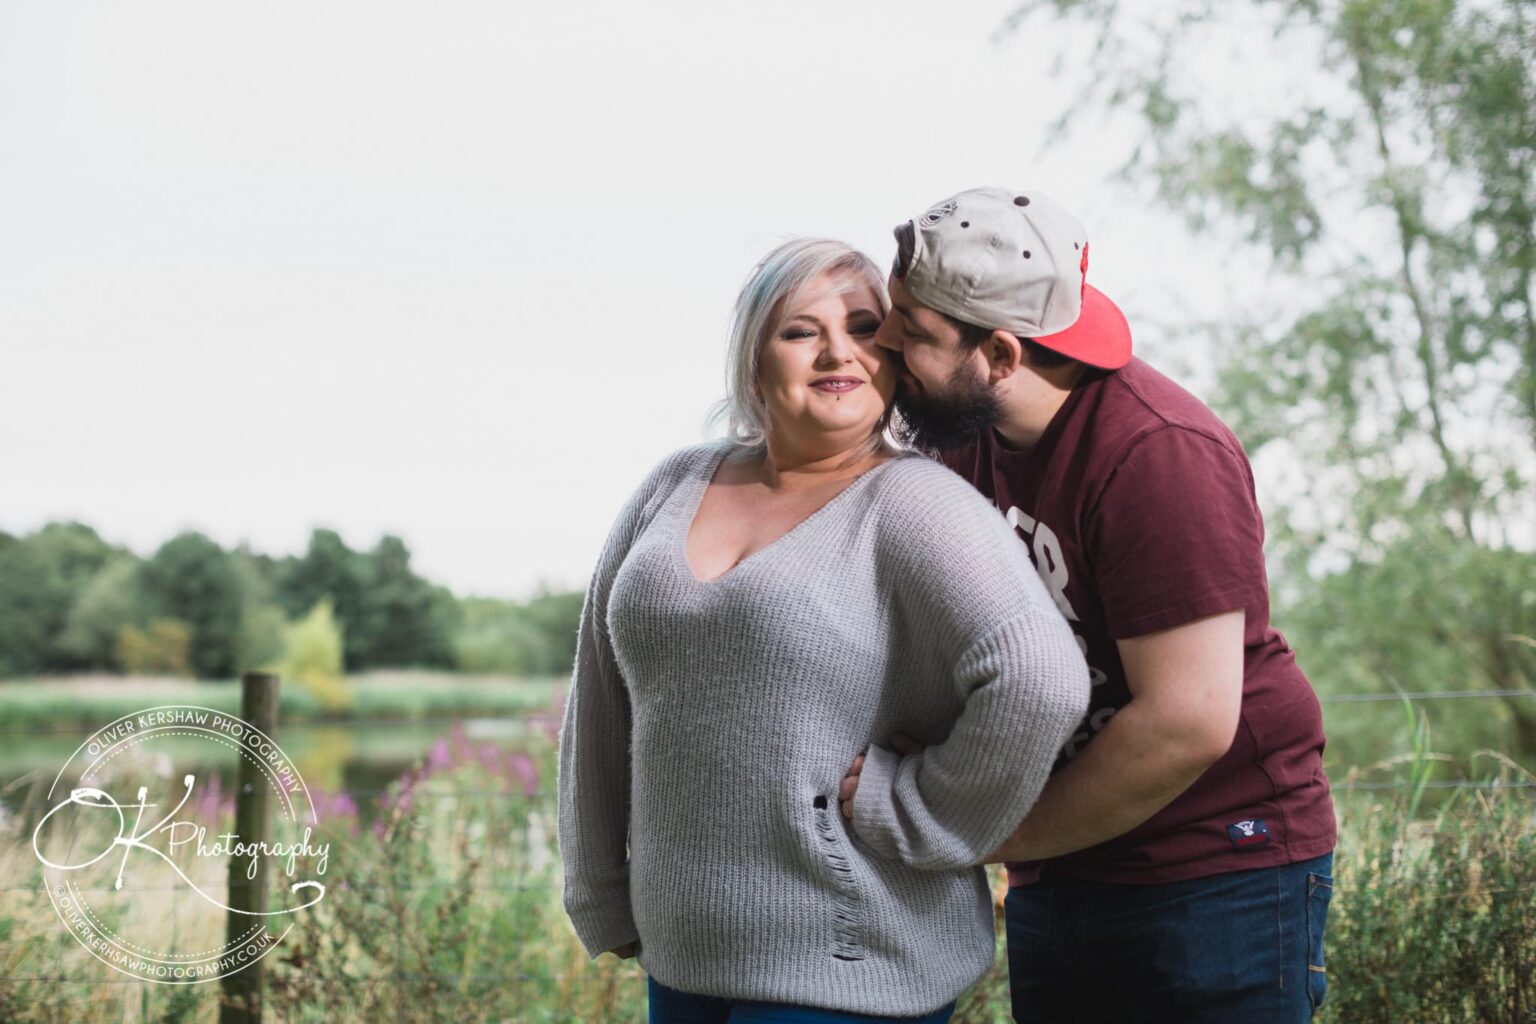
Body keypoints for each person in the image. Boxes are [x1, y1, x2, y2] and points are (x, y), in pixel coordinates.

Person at [556, 237, 1091, 1023]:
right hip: (682, 956)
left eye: (867, 326)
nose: (838, 350)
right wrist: (598, 885)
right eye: (801, 330)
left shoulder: (916, 504)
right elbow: (601, 697)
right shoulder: (672, 486)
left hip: (851, 964)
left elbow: (1041, 680)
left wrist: (924, 813)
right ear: (753, 360)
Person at [845, 187, 1337, 1023]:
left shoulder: (1157, 453)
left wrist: (985, 831)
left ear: (1000, 356)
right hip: (1065, 868)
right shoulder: (959, 437)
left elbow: (1189, 720)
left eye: (913, 331)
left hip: (1216, 871)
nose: (883, 340)